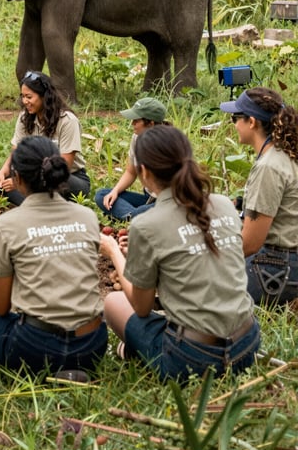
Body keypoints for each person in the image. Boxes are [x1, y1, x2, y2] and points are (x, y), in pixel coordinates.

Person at [100, 125, 260, 382]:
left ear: (143, 172)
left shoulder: (146, 224)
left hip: (193, 358)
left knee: (113, 303)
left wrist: (114, 254)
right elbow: (195, 256)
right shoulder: (222, 204)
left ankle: (140, 352)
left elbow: (141, 308)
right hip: (247, 346)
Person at [0, 137, 107, 377]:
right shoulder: (87, 216)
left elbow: (0, 307)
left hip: (35, 347)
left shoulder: (6, 224)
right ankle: (72, 369)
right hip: (91, 345)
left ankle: (19, 363)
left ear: (16, 178)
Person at [220, 87, 298, 306]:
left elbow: (250, 244)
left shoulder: (269, 166)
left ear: (251, 122)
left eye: (236, 118)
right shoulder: (287, 151)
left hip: (277, 265)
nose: (234, 124)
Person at [0, 71, 89, 205]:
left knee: (54, 183)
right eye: (23, 96)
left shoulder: (67, 121)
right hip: (33, 176)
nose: (25, 101)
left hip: (67, 177)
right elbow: (16, 152)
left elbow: (65, 166)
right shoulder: (25, 117)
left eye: (29, 97)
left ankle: (33, 206)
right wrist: (3, 172)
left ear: (44, 96)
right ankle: (40, 207)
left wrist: (22, 182)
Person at [95, 97, 168, 221]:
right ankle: (134, 216)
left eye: (136, 120)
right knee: (102, 195)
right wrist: (115, 191)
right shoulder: (137, 138)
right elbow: (130, 172)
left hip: (168, 201)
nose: (132, 124)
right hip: (149, 198)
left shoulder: (169, 143)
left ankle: (132, 216)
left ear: (151, 123)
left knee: (139, 212)